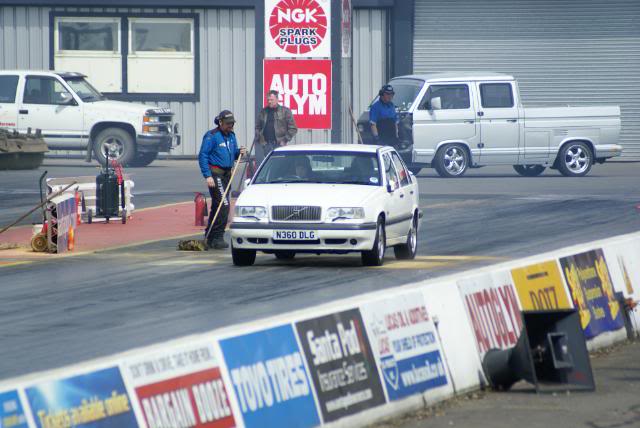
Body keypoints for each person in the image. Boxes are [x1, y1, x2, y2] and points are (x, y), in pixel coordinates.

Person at [198, 110, 246, 249]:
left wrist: (239, 152)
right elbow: (203, 155)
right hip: (215, 174)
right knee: (224, 205)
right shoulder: (211, 136)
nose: (231, 126)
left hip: (227, 175)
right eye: (228, 123)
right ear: (220, 123)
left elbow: (233, 154)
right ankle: (218, 236)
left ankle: (210, 236)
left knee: (217, 205)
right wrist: (207, 175)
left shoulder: (232, 136)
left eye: (232, 123)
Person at [254, 90, 298, 163]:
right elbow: (258, 126)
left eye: (271, 100)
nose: (269, 102)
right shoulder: (264, 111)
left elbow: (293, 128)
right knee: (269, 165)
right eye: (268, 100)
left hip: (279, 144)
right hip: (267, 145)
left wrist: (284, 140)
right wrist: (262, 141)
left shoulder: (285, 111)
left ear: (277, 100)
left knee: (280, 164)